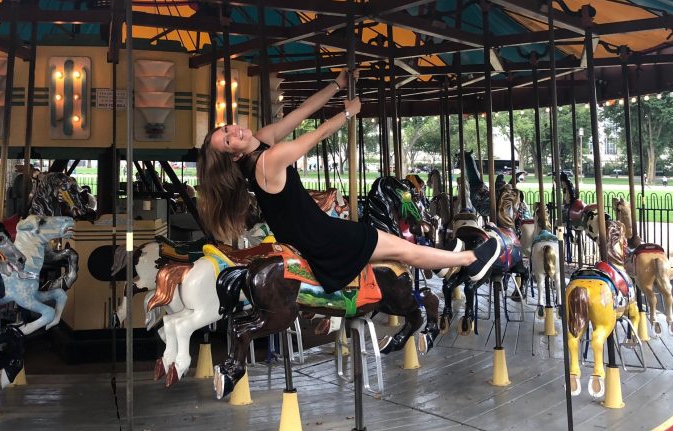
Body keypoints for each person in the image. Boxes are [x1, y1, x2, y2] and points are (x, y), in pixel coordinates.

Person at [197, 69, 501, 295]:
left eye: (227, 128)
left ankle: (459, 261)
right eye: (227, 140)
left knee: (397, 249)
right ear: (233, 157)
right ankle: (469, 259)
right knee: (400, 249)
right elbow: (316, 134)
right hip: (321, 237)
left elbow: (303, 112)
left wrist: (337, 85)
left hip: (312, 231)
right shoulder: (268, 160)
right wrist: (347, 112)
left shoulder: (261, 144)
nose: (234, 131)